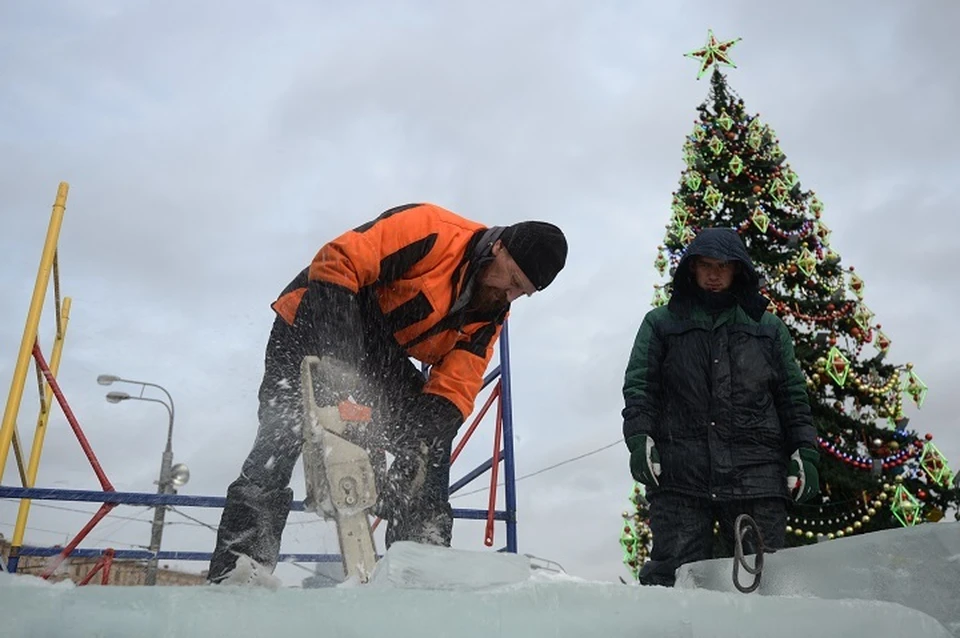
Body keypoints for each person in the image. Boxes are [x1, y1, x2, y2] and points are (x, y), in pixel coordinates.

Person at [208, 202, 567, 585]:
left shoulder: (491, 313)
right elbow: (337, 261)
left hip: (379, 349)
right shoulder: (433, 230)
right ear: (499, 248)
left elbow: (456, 386)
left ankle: (421, 563)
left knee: (431, 443)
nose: (508, 294)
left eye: (521, 293)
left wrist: (420, 441)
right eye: (511, 279)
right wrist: (341, 366)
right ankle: (240, 567)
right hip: (316, 312)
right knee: (279, 438)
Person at [621, 227, 820, 587]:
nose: (714, 275)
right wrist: (639, 438)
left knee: (762, 585)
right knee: (674, 581)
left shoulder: (768, 328)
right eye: (706, 266)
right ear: (692, 268)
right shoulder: (661, 324)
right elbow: (640, 387)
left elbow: (792, 395)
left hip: (756, 477)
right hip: (681, 476)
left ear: (737, 270)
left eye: (723, 267)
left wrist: (805, 451)